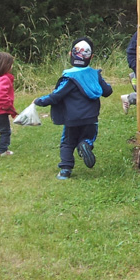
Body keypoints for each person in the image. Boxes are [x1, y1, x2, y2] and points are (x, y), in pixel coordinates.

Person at [34, 38, 112, 180]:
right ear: (91, 57)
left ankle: (65, 170)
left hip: (72, 119)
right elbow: (107, 91)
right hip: (91, 118)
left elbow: (56, 95)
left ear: (71, 54)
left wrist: (40, 101)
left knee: (67, 143)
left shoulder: (69, 77)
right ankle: (85, 144)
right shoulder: (95, 74)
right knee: (88, 137)